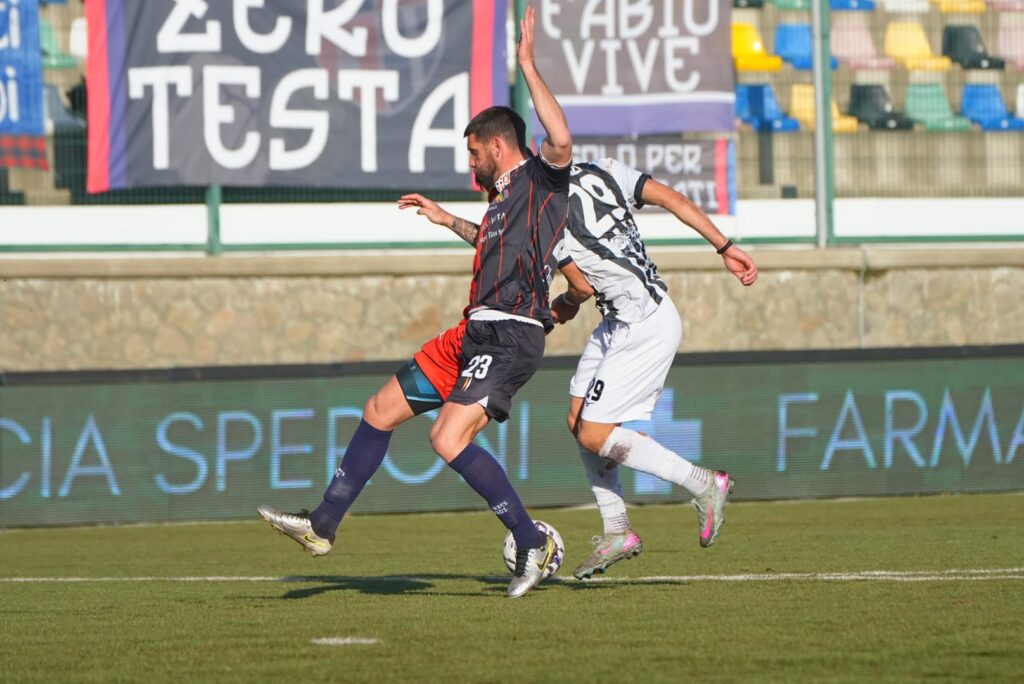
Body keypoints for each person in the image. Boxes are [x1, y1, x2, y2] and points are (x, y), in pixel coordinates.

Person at [257, 6, 591, 599]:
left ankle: (531, 543)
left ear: (495, 144)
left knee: (446, 439)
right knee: (381, 408)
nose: (469, 165)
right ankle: (323, 524)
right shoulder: (499, 204)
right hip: (471, 333)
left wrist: (527, 65)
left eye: (472, 154)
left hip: (508, 332)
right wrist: (446, 220)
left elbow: (562, 138)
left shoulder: (543, 178)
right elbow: (492, 242)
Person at [547, 158, 758, 579]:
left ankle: (702, 483)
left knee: (594, 432)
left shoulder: (543, 209)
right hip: (618, 320)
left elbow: (581, 288)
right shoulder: (602, 169)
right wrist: (725, 246)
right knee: (578, 421)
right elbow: (674, 198)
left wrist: (565, 304)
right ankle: (616, 530)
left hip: (643, 323)